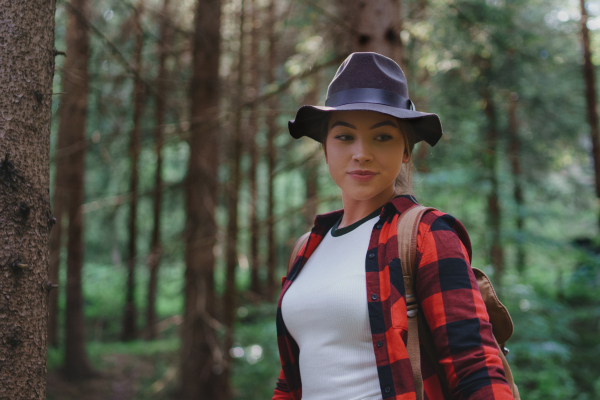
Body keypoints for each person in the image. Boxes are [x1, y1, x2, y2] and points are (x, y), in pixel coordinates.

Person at [273, 52, 515, 400]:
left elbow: (473, 366)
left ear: (406, 151)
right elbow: (291, 380)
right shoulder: (306, 247)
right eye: (344, 137)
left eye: (382, 137)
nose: (362, 153)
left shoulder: (426, 235)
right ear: (325, 149)